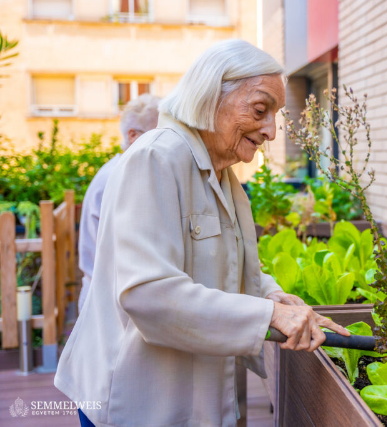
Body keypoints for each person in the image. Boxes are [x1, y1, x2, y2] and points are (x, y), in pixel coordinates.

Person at [54, 39, 349, 427]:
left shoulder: (221, 173)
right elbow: (148, 294)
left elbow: (228, 267)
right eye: (260, 110)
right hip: (133, 399)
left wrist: (276, 297)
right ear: (211, 96)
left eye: (274, 115)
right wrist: (269, 314)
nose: (271, 131)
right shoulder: (156, 158)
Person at [77, 94, 161, 312]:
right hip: (107, 301)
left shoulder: (122, 169)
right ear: (133, 135)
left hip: (108, 295)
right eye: (159, 135)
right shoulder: (123, 176)